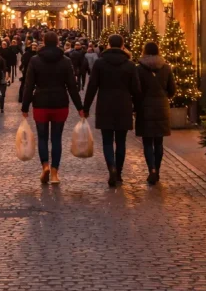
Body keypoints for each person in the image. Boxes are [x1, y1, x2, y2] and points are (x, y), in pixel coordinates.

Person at [21, 31, 84, 185]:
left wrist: (25, 106)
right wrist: (80, 107)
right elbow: (72, 86)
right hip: (60, 103)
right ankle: (55, 172)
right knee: (56, 138)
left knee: (42, 137)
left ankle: (45, 166)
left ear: (43, 42)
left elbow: (29, 86)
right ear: (57, 42)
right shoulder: (65, 61)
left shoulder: (35, 60)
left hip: (41, 103)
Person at [83, 35, 141, 187]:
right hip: (124, 105)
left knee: (107, 141)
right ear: (122, 45)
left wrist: (86, 107)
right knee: (121, 141)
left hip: (105, 105)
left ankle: (112, 168)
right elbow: (136, 89)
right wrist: (137, 107)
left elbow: (92, 86)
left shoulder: (100, 63)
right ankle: (119, 172)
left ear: (108, 45)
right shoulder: (130, 65)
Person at [135, 41, 176, 184]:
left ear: (144, 51)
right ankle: (157, 170)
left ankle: (151, 169)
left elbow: (136, 90)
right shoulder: (166, 68)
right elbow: (172, 90)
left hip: (144, 108)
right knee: (159, 142)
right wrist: (163, 97)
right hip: (161, 108)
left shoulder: (139, 69)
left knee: (147, 142)